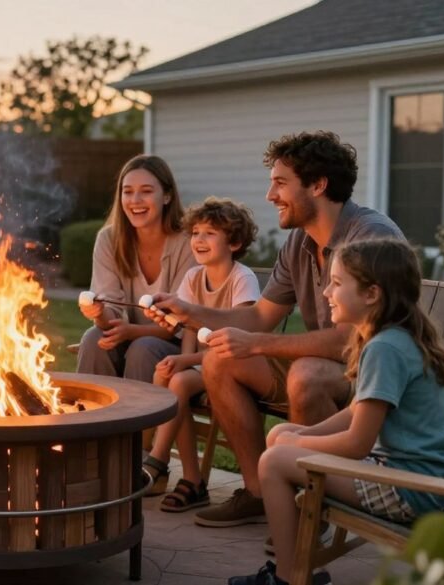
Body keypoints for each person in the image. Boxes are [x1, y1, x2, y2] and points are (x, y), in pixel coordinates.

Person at [148, 131, 404, 528]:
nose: (270, 195)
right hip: (326, 361)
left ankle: (309, 508)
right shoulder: (299, 243)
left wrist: (257, 344)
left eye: (281, 183)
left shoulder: (370, 237)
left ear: (318, 185)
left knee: (305, 374)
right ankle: (258, 493)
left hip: (372, 372)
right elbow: (258, 317)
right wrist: (188, 311)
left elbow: (357, 339)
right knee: (219, 359)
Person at [228, 238, 444, 585]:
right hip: (422, 480)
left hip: (411, 489)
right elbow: (356, 411)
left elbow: (357, 444)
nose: (326, 292)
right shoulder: (394, 339)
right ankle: (297, 567)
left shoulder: (385, 348)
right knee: (279, 436)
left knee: (273, 462)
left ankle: (291, 577)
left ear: (372, 294)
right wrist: (299, 435)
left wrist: (298, 445)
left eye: (337, 284)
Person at [144, 197, 260, 507]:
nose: (199, 240)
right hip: (202, 363)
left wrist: (187, 362)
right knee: (166, 372)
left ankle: (158, 462)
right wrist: (184, 359)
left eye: (209, 233)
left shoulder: (242, 279)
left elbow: (241, 341)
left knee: (179, 382)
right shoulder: (193, 277)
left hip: (236, 365)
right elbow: (189, 330)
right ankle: (191, 481)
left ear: (233, 242)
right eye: (195, 232)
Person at [76, 154, 195, 383]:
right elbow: (109, 317)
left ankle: (139, 419)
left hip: (179, 346)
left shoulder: (188, 242)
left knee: (143, 349)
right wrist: (100, 314)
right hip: (129, 338)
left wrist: (132, 332)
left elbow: (181, 323)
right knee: (93, 338)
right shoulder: (109, 240)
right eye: (127, 191)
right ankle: (90, 416)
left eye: (146, 191)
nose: (135, 200)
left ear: (167, 196)